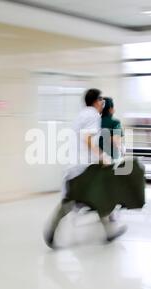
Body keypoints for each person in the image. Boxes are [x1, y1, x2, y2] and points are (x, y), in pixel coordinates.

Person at [43, 89, 127, 249]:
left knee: (93, 198)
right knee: (86, 199)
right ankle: (51, 231)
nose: (103, 104)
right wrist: (102, 155)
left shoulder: (81, 114)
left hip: (76, 165)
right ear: (96, 101)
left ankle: (108, 232)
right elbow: (87, 139)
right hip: (84, 167)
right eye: (101, 101)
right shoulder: (93, 116)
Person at [99, 97, 124, 222]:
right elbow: (116, 141)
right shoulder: (115, 123)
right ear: (110, 109)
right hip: (111, 158)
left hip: (96, 158)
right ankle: (113, 212)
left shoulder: (95, 122)